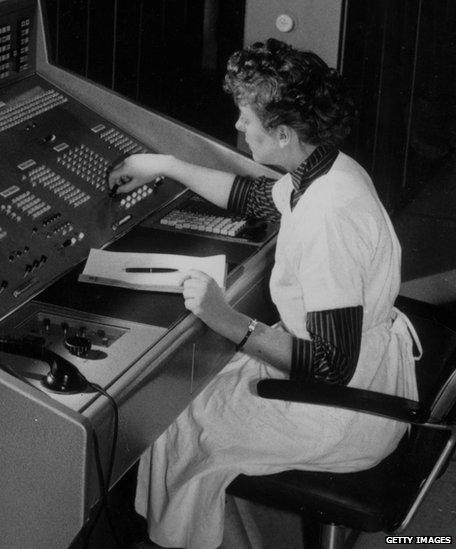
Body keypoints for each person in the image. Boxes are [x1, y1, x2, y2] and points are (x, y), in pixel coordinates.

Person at [107, 38, 420, 549]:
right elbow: (254, 195)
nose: (237, 127)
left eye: (245, 120)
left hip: (343, 410)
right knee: (191, 390)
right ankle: (206, 522)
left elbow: (328, 368)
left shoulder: (328, 220)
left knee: (170, 416)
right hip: (370, 373)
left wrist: (224, 317)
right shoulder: (326, 166)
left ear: (280, 133)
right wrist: (165, 164)